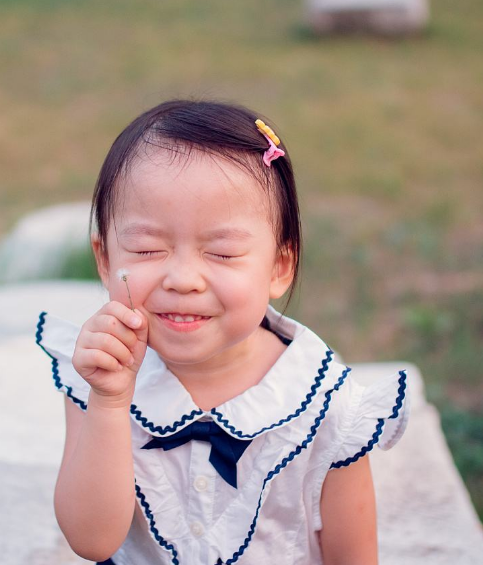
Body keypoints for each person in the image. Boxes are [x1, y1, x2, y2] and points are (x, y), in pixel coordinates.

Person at [35, 99, 409, 565]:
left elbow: (353, 556)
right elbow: (92, 540)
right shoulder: (97, 374)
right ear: (106, 260)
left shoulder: (325, 405)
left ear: (279, 266)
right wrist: (110, 401)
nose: (183, 278)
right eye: (148, 249)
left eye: (223, 253)